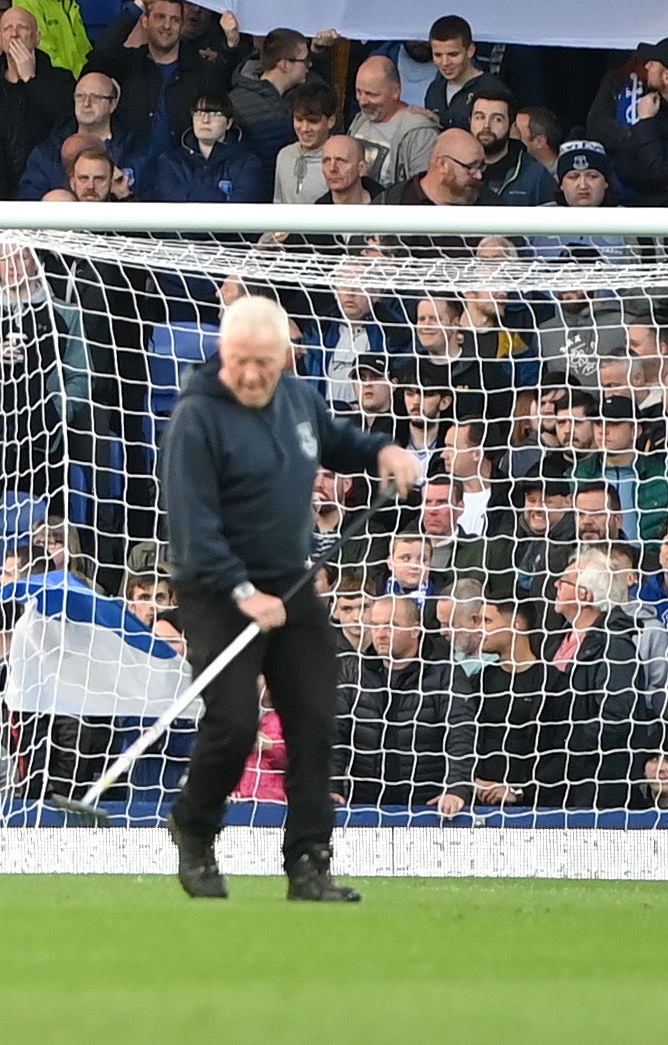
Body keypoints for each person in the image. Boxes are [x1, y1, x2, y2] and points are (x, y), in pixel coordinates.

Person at [159, 294, 422, 901]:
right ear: (223, 353)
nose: (252, 375)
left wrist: (382, 450)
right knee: (234, 721)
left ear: (287, 356)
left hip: (293, 586)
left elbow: (336, 439)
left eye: (265, 363)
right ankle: (194, 828)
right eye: (240, 361)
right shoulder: (196, 419)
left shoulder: (300, 398)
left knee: (313, 719)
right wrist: (246, 593)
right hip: (217, 590)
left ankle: (309, 861)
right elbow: (193, 533)